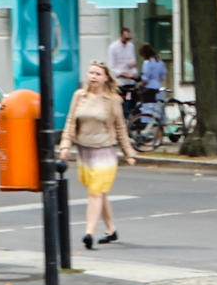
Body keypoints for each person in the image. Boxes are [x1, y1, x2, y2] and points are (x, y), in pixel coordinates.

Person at [58, 61, 136, 246]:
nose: (93, 76)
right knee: (99, 192)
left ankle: (88, 233)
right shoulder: (79, 96)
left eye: (98, 74)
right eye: (91, 72)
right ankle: (111, 230)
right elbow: (70, 121)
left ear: (105, 77)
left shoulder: (112, 100)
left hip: (104, 151)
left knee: (95, 193)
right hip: (84, 149)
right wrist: (65, 145)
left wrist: (128, 152)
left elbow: (120, 127)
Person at [137, 47, 168, 132]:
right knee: (159, 112)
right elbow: (162, 76)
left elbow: (145, 78)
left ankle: (150, 134)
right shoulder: (159, 61)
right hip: (159, 88)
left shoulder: (147, 62)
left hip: (149, 88)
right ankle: (159, 136)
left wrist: (139, 84)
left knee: (149, 112)